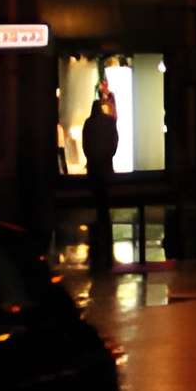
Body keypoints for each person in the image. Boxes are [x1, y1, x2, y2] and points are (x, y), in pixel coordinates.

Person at [80, 82, 121, 271]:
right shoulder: (109, 122)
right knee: (105, 196)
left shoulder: (89, 123)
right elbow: (114, 141)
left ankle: (99, 224)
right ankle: (104, 222)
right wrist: (108, 155)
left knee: (97, 196)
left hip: (95, 167)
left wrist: (91, 157)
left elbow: (86, 144)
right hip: (105, 165)